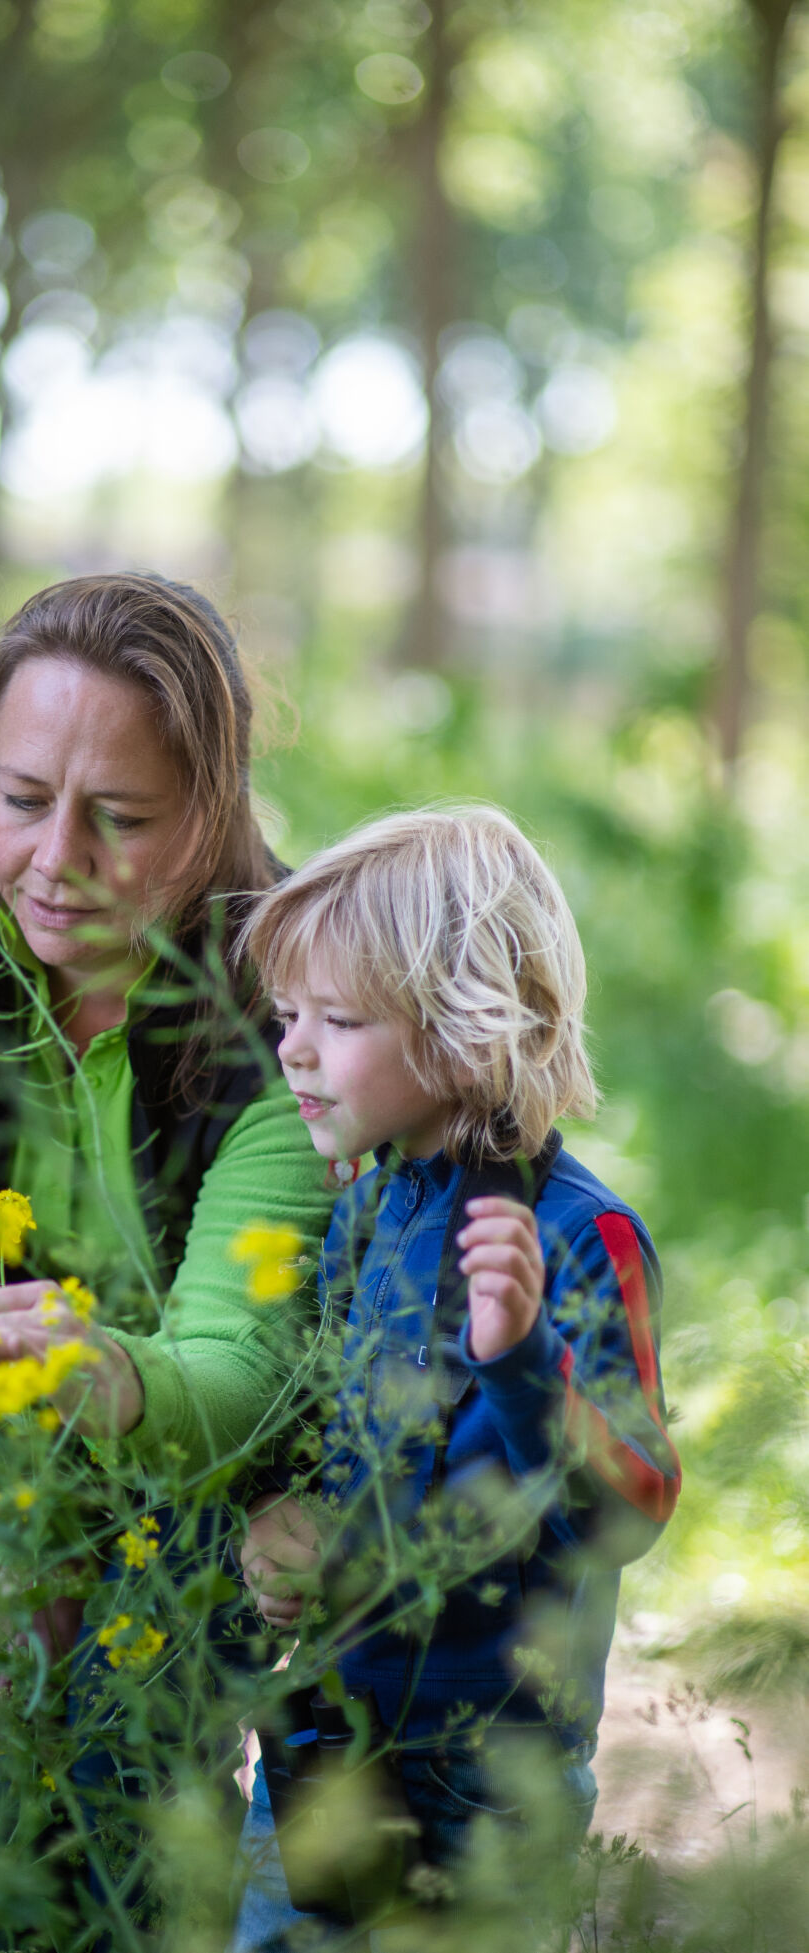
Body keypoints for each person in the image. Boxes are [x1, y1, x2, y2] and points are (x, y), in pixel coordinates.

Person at [0, 573, 336, 1929]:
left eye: (121, 819)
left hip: (205, 1481)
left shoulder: (286, 1004)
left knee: (146, 1796)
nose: (53, 857)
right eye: (20, 800)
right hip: (17, 1454)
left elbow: (235, 1360)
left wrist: (113, 1378)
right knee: (8, 1799)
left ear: (212, 812)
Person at [230, 804, 681, 1948]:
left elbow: (631, 1508)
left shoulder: (583, 1238)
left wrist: (524, 1359)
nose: (292, 1049)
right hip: (332, 1740)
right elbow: (339, 1452)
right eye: (290, 1017)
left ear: (469, 1029)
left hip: (490, 1783)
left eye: (337, 1020)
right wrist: (290, 1536)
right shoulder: (370, 1209)